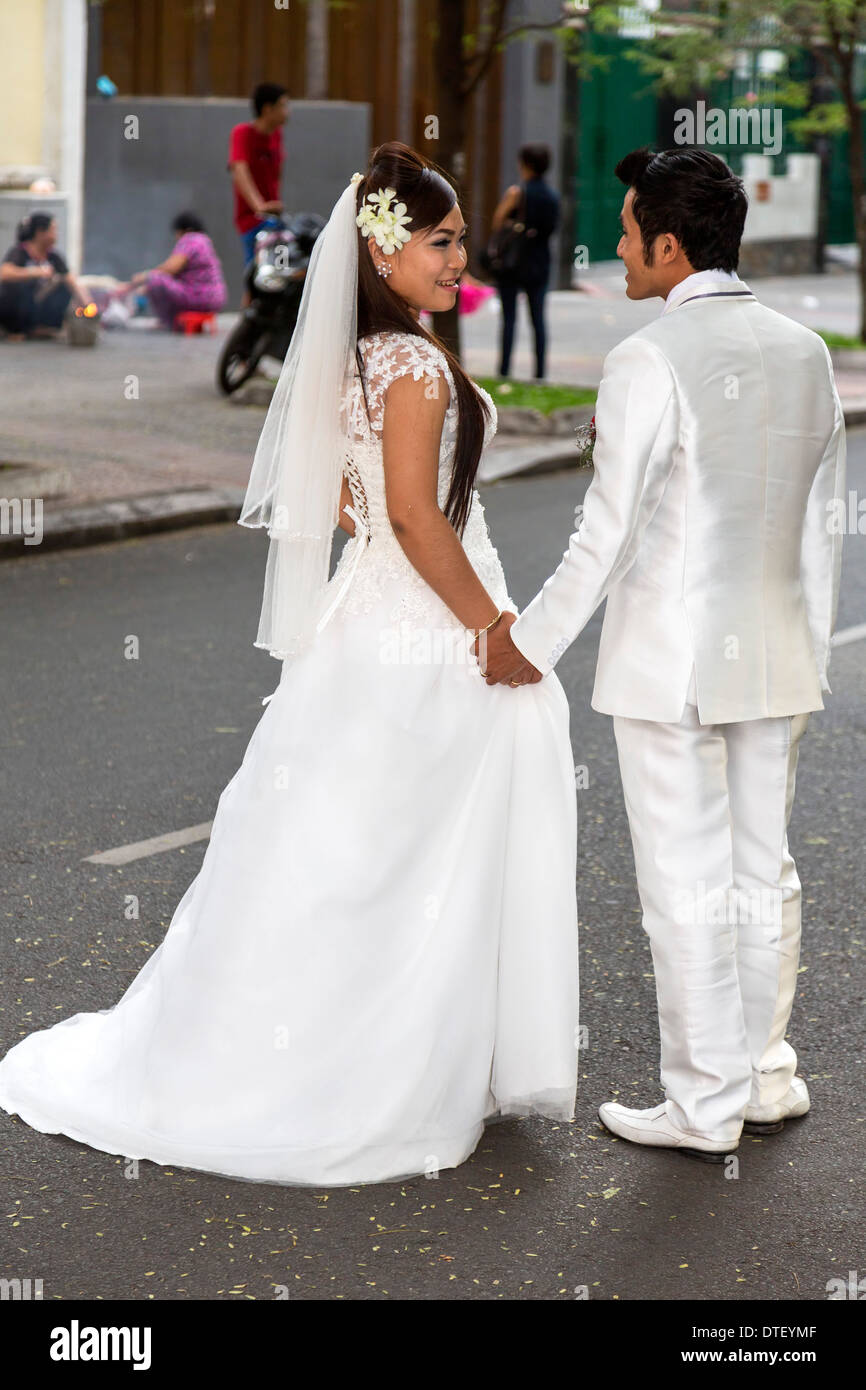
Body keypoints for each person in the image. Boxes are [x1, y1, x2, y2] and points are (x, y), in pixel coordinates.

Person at [0, 142, 579, 1188]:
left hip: (368, 623)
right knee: (402, 852)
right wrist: (492, 628)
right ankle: (374, 1069)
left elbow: (348, 502)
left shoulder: (356, 356)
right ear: (387, 253)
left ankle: (291, 1050)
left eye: (456, 242)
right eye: (442, 243)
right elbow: (407, 513)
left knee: (344, 848)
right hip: (423, 634)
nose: (460, 260)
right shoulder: (405, 363)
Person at [481, 146, 846, 1161]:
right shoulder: (802, 350)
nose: (620, 247)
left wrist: (528, 641)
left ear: (669, 244)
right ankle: (758, 1078)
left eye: (630, 230)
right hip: (774, 656)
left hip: (670, 665)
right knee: (756, 872)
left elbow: (606, 533)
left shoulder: (649, 358)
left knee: (684, 885)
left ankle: (698, 1104)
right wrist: (807, 655)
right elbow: (820, 529)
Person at [490, 144, 560, 379]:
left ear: (526, 165)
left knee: (509, 318)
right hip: (540, 262)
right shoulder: (553, 196)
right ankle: (540, 373)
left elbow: (497, 222)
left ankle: (504, 370)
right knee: (538, 319)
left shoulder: (516, 193)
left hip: (513, 262)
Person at [124, 212, 227, 329]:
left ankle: (171, 323)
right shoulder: (205, 241)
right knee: (152, 281)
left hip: (198, 296)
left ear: (184, 230)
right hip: (215, 298)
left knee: (154, 280)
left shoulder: (191, 239)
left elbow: (172, 268)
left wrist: (144, 276)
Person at [228, 82, 290, 268]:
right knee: (256, 276)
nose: (288, 111)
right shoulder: (243, 133)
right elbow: (239, 170)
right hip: (252, 221)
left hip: (274, 220)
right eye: (283, 105)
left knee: (281, 270)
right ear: (267, 109)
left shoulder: (277, 134)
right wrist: (259, 206)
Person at [0, 213, 88, 339]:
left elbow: (71, 280)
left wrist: (88, 304)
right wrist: (34, 272)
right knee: (15, 284)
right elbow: (4, 273)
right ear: (40, 232)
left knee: (64, 285)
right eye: (53, 229)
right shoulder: (20, 252)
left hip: (37, 305)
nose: (56, 234)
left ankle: (40, 327)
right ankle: (14, 329)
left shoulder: (53, 256)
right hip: (18, 307)